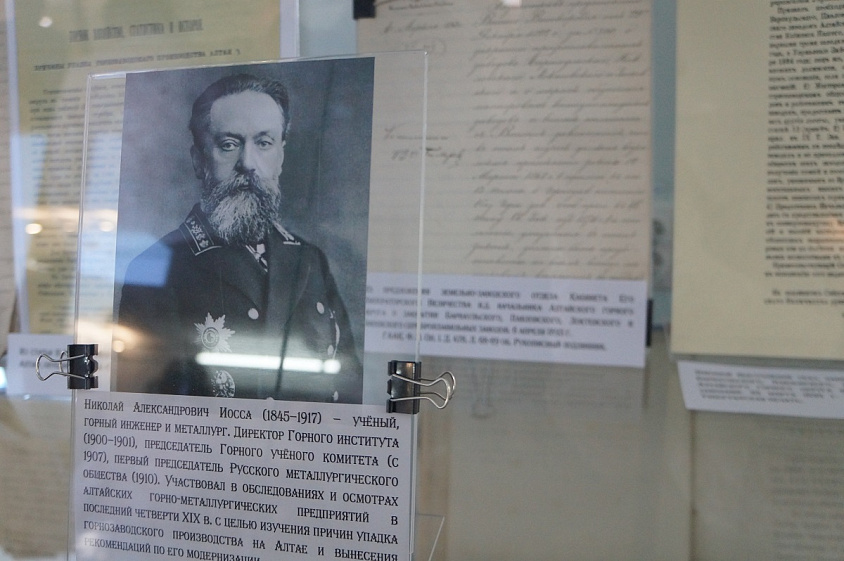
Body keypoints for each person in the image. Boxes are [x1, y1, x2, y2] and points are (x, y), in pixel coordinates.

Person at [114, 73, 363, 403]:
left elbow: (347, 387)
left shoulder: (309, 260)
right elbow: (147, 405)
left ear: (280, 156)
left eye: (264, 143)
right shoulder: (155, 267)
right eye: (229, 145)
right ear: (199, 161)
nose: (248, 164)